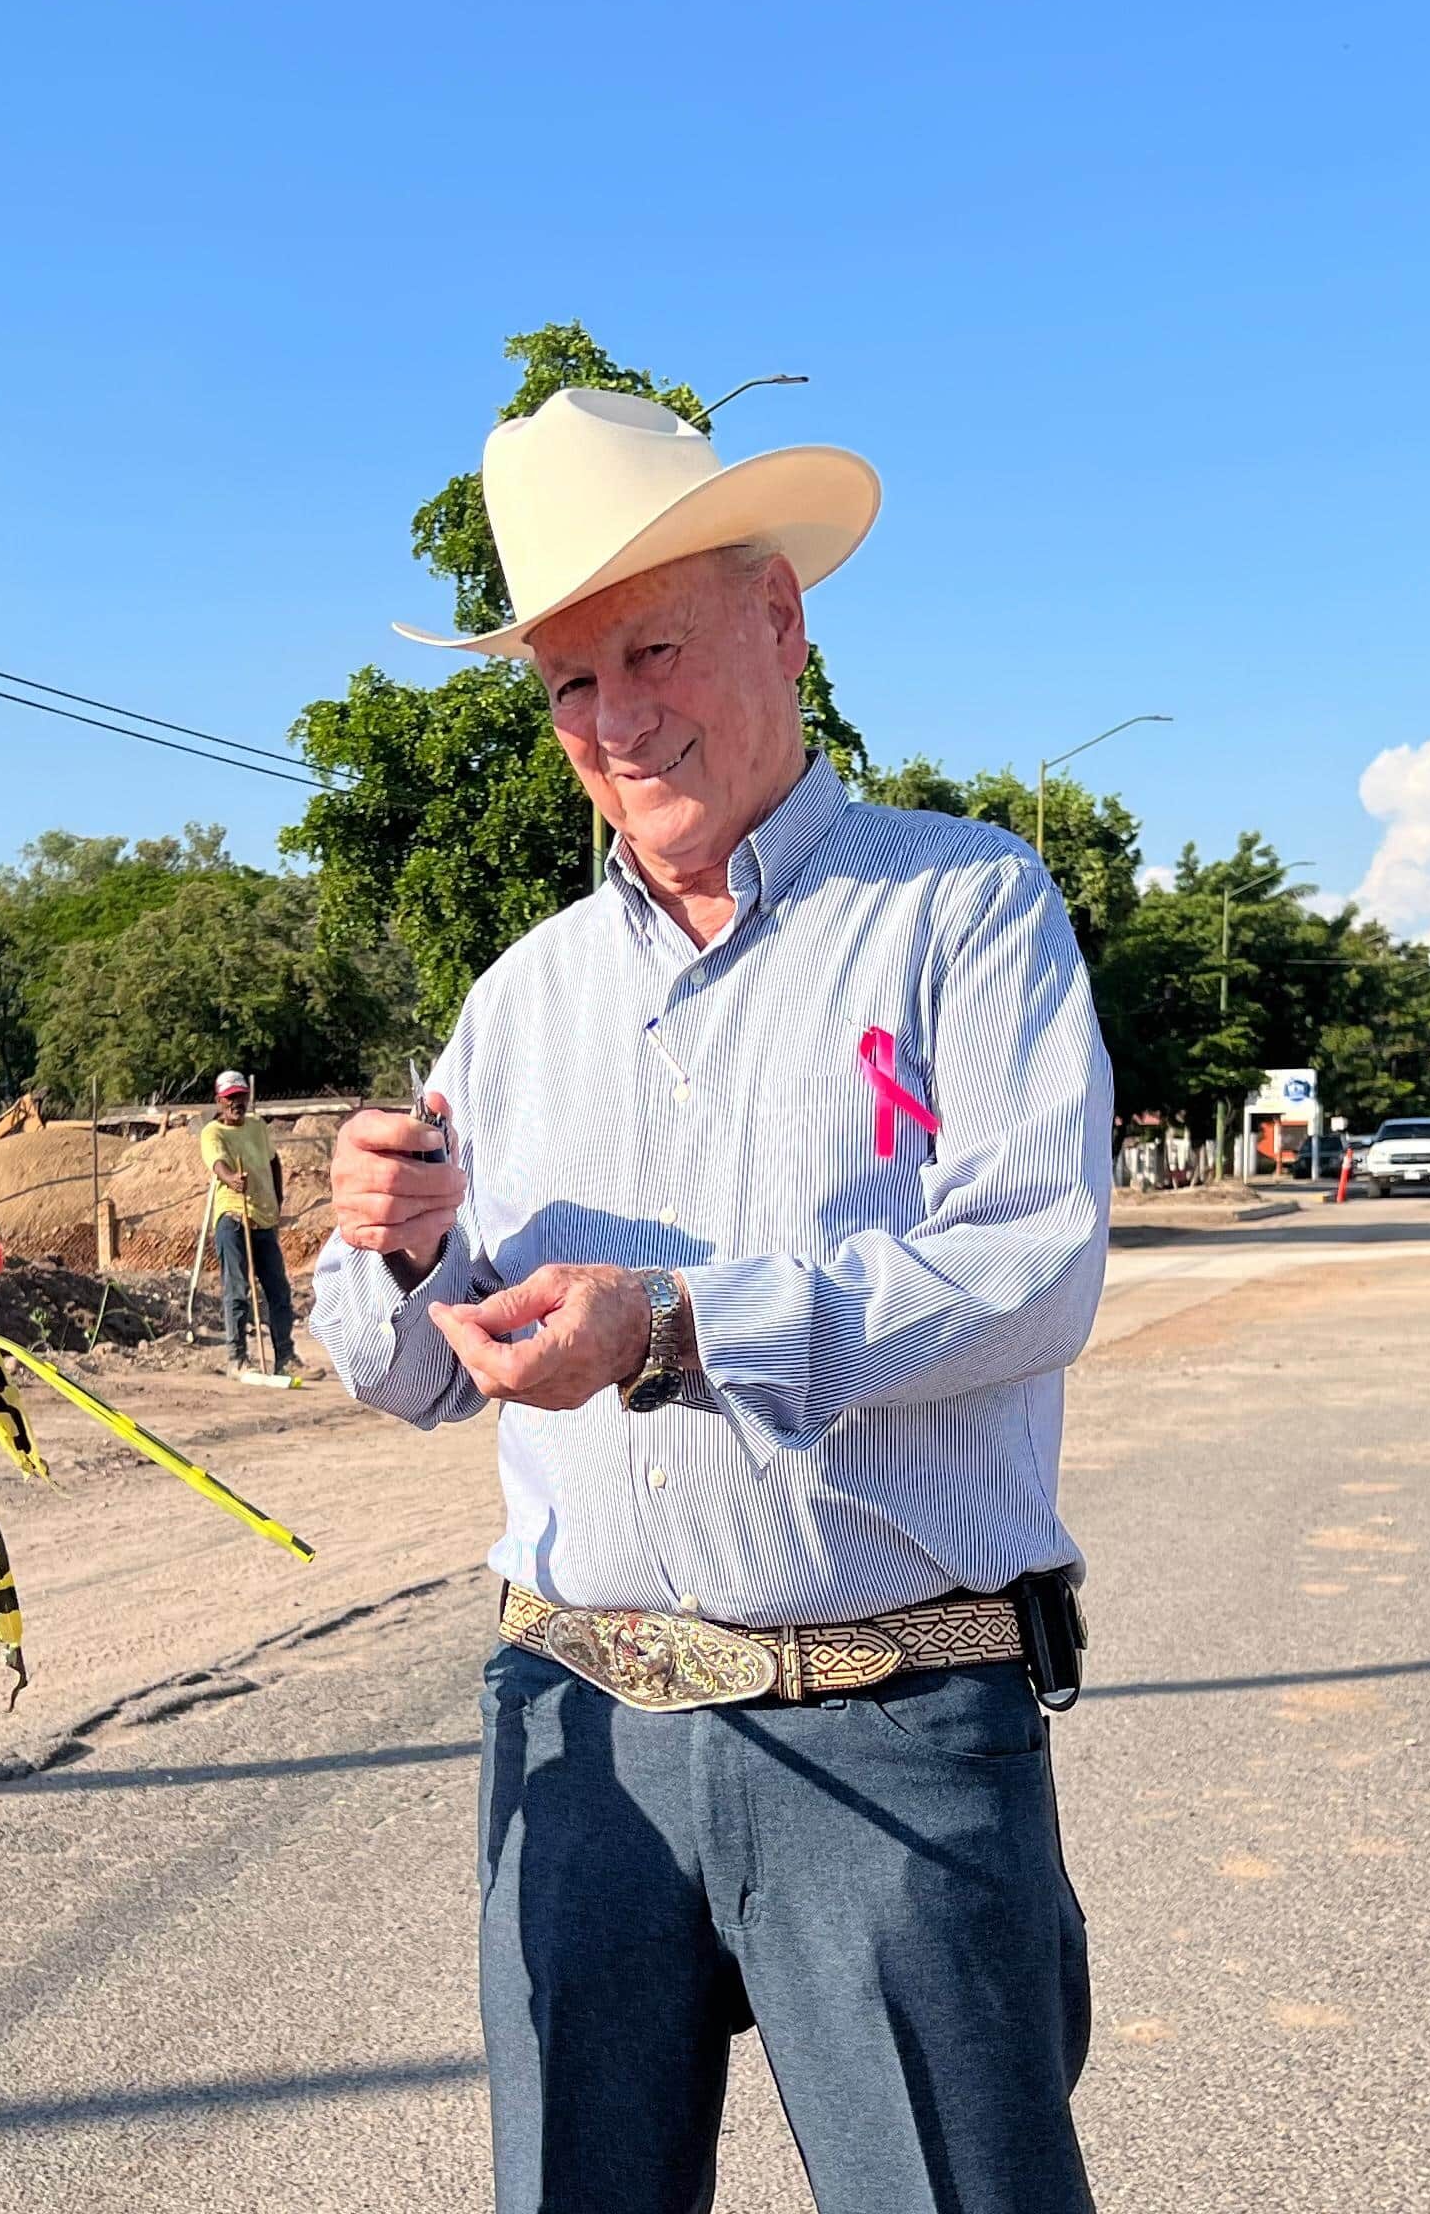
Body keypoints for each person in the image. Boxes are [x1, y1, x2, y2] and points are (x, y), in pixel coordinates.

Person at [313, 390, 1115, 2214]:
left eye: (651, 647)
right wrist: (398, 1245)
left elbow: (1025, 1266)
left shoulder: (963, 908)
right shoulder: (519, 998)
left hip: (887, 1716)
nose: (616, 718)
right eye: (569, 684)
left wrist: (672, 1327)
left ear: (780, 619)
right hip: (576, 1727)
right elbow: (414, 1379)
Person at [199, 1067, 299, 1373]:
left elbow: (273, 1160)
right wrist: (231, 1179)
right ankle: (238, 1359)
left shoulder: (257, 1127)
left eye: (241, 1097)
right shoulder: (212, 1132)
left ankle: (285, 1357)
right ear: (219, 1101)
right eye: (230, 1099)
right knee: (238, 1288)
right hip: (233, 1217)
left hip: (264, 1219)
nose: (236, 1103)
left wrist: (278, 1198)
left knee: (278, 1291)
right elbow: (216, 1162)